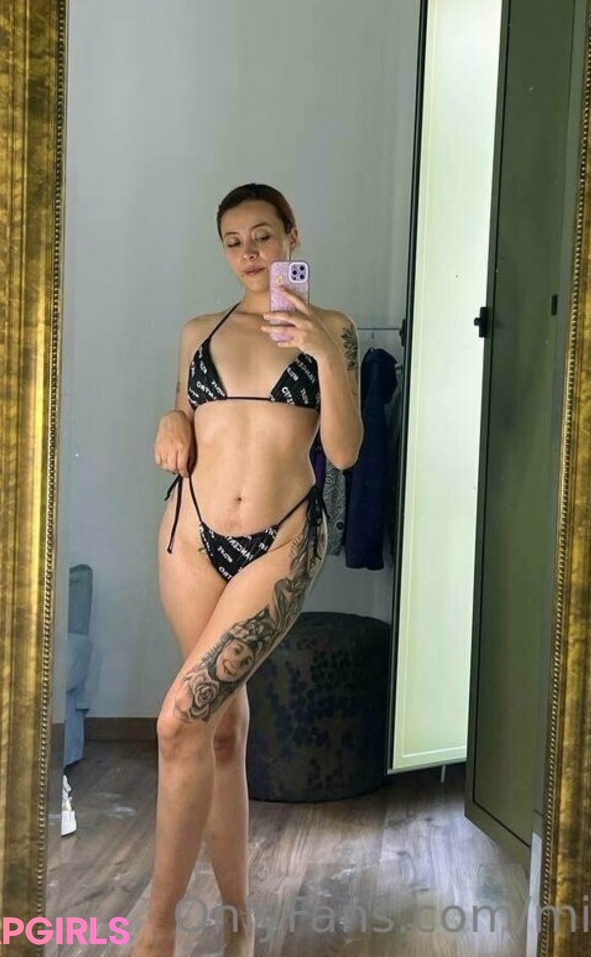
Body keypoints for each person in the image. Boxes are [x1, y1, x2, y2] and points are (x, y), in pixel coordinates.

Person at [134, 183, 363, 957]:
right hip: (190, 537)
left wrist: (320, 349)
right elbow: (183, 413)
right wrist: (171, 418)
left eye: (263, 235)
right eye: (233, 241)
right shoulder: (199, 331)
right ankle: (240, 920)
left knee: (178, 722)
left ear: (293, 235)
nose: (249, 253)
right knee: (221, 728)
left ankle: (157, 927)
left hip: (280, 540)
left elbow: (344, 451)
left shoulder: (332, 329)